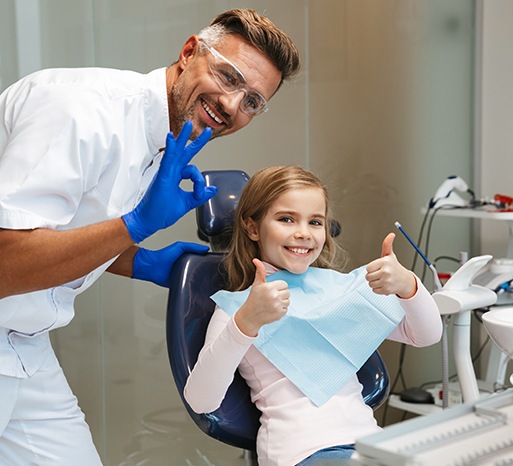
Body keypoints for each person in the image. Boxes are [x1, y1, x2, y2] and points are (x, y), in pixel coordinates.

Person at [0, 9, 300, 465]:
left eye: (253, 101)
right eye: (228, 76)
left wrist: (139, 260)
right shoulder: (82, 111)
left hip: (25, 340)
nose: (232, 105)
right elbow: (6, 261)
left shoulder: (165, 137)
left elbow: (61, 233)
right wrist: (134, 226)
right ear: (188, 53)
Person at [184, 166, 443, 466]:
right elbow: (201, 401)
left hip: (370, 446)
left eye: (315, 222)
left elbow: (426, 335)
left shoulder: (338, 288)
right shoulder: (239, 307)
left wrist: (407, 285)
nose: (303, 233)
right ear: (253, 228)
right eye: (286, 219)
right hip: (303, 454)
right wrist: (247, 323)